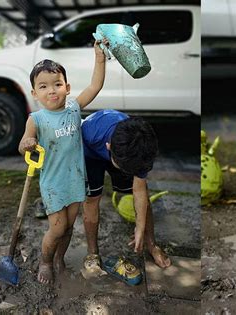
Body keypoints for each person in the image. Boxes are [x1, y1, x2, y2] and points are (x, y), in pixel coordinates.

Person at [18, 40, 108, 284]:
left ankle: (60, 258)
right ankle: (46, 261)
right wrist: (27, 143)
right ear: (35, 94)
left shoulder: (74, 108)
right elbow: (25, 141)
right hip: (53, 183)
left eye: (57, 84)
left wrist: (99, 58)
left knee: (68, 228)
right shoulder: (36, 119)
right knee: (57, 228)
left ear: (67, 87)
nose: (52, 90)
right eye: (44, 86)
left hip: (75, 178)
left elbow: (95, 86)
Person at [81, 109, 172, 270]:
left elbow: (140, 192)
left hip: (123, 153)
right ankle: (92, 252)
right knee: (92, 198)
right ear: (108, 147)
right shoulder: (89, 132)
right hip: (89, 152)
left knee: (143, 191)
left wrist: (140, 227)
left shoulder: (141, 148)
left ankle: (152, 244)